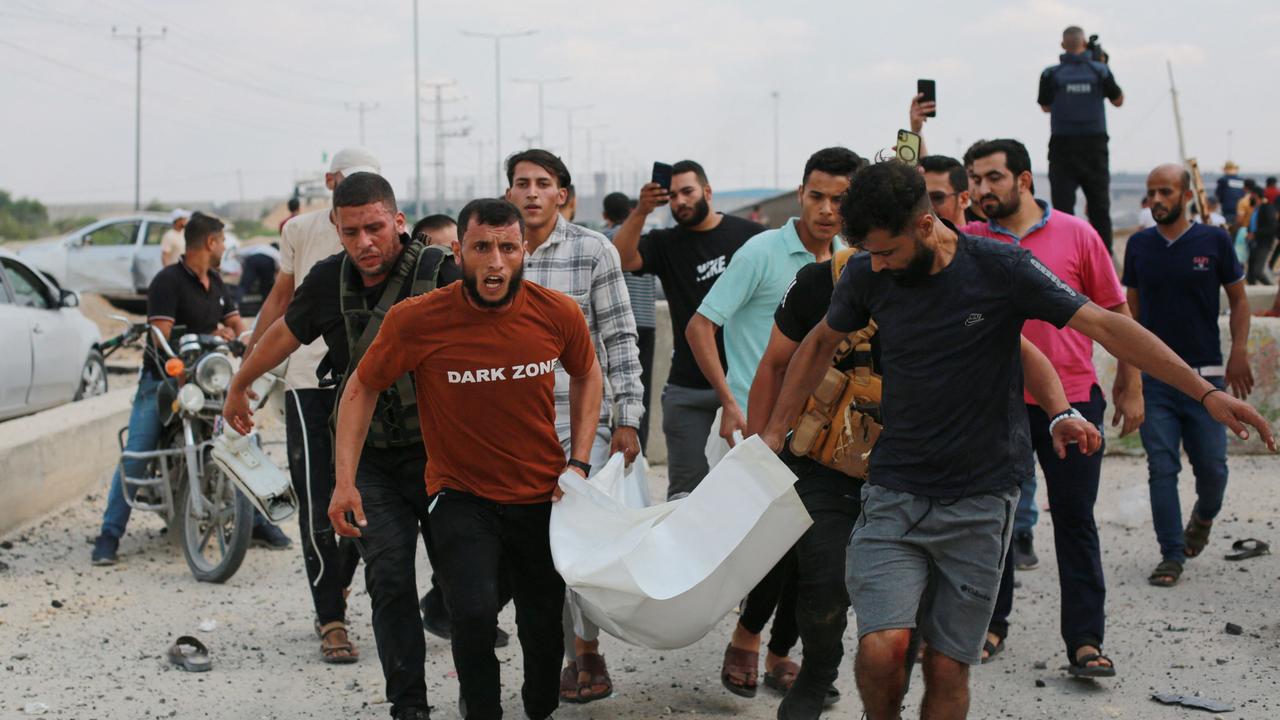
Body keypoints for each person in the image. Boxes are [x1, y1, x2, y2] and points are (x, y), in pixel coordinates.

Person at [757, 160, 1274, 720]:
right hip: (894, 492)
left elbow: (1105, 324)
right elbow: (814, 344)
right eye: (871, 254)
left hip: (981, 499)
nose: (877, 264)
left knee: (948, 667)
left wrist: (1205, 392)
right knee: (883, 647)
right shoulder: (866, 274)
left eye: (887, 251)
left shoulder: (1001, 269)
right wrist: (773, 434)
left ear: (926, 226)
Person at [332, 197, 604, 720]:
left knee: (543, 623)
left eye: (507, 247)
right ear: (459, 252)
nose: (495, 261)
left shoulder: (557, 312)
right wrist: (346, 481)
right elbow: (361, 387)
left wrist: (581, 460)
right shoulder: (418, 320)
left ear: (525, 250)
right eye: (482, 247)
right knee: (474, 616)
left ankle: (540, 706)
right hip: (460, 496)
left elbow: (588, 373)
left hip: (542, 495)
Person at [225, 173, 457, 716]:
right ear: (336, 228)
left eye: (375, 228)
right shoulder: (330, 280)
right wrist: (242, 382)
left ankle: (478, 694)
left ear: (398, 221)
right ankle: (409, 707)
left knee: (469, 586)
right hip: (372, 457)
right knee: (389, 580)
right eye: (351, 232)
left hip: (443, 456)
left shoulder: (442, 272)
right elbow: (286, 331)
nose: (365, 243)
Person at [684, 147, 862, 703]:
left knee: (814, 551)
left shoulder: (850, 263)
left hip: (821, 438)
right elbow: (698, 325)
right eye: (817, 196)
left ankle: (782, 652)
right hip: (752, 427)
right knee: (766, 551)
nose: (827, 209)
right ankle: (747, 636)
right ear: (801, 193)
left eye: (840, 199)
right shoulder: (761, 252)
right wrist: (731, 403)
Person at [962, 138, 1144, 672]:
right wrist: (912, 132)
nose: (981, 189)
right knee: (994, 521)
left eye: (992, 177)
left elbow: (1115, 312)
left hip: (1073, 398)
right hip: (996, 401)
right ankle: (990, 625)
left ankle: (1086, 642)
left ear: (1023, 180)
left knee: (1075, 520)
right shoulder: (972, 238)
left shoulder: (1076, 233)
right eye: (974, 179)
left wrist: (1130, 385)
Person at [504, 148, 644, 705]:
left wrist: (627, 419)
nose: (532, 193)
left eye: (543, 183)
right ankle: (564, 653)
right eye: (521, 183)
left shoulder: (594, 251)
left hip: (580, 424)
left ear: (562, 194)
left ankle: (585, 650)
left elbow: (619, 337)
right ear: (509, 192)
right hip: (512, 430)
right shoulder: (497, 253)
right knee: (538, 551)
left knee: (578, 543)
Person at [237, 147, 381, 667]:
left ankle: (351, 593)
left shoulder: (385, 231)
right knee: (320, 496)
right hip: (307, 382)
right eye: (349, 183)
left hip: (371, 383)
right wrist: (248, 366)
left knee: (374, 498)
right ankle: (331, 616)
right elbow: (280, 302)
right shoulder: (301, 230)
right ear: (329, 182)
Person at [91, 212, 265, 563]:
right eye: (223, 242)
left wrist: (245, 341)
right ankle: (109, 535)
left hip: (206, 378)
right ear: (211, 243)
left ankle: (255, 519)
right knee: (138, 454)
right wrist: (210, 334)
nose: (225, 248)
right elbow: (162, 335)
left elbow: (236, 325)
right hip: (164, 381)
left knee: (245, 438)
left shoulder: (216, 283)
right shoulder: (167, 281)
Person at [1125, 163, 1255, 587]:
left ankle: (1202, 518)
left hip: (1207, 380)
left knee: (1213, 470)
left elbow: (1238, 300)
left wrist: (1239, 350)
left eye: (1166, 191)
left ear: (1185, 196)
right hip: (1156, 382)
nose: (1157, 200)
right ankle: (1171, 555)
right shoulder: (1139, 245)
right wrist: (1128, 377)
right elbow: (1129, 315)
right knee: (1162, 468)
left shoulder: (1214, 240)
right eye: (1151, 192)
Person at [611, 160, 766, 498]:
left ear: (707, 192)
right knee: (686, 492)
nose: (680, 200)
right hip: (688, 386)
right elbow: (620, 258)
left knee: (754, 490)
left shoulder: (751, 237)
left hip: (747, 383)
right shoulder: (665, 242)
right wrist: (641, 211)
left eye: (688, 191)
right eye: (674, 195)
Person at [1039, 25, 1124, 254]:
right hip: (1095, 146)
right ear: (1084, 44)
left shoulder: (1050, 74)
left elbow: (1045, 106)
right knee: (1099, 207)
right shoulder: (1100, 71)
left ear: (1062, 45)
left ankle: (1066, 255)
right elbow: (1118, 100)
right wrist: (1103, 63)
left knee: (1063, 209)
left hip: (1062, 146)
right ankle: (1104, 257)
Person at [603, 190, 657, 451]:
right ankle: (640, 448)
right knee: (640, 389)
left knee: (610, 389)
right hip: (647, 322)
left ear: (605, 215)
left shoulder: (604, 240)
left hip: (617, 324)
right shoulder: (640, 241)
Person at [236, 242, 281, 317]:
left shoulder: (261, 246)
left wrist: (244, 266)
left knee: (243, 286)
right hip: (268, 262)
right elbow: (280, 268)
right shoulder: (276, 253)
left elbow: (239, 253)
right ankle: (265, 309)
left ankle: (235, 304)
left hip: (253, 260)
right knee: (266, 287)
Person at [1246, 185, 1276, 285]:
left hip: (1264, 243)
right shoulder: (1256, 209)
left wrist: (1255, 234)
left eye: (1251, 195)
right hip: (1254, 243)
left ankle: (1272, 289)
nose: (1250, 197)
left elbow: (1271, 227)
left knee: (1258, 271)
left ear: (1255, 195)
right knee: (1250, 274)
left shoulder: (1267, 208)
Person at [1217, 161, 1246, 232]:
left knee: (1227, 230)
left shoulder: (1222, 181)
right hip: (1241, 211)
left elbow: (1219, 195)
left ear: (1225, 169)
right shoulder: (1242, 181)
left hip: (1228, 210)